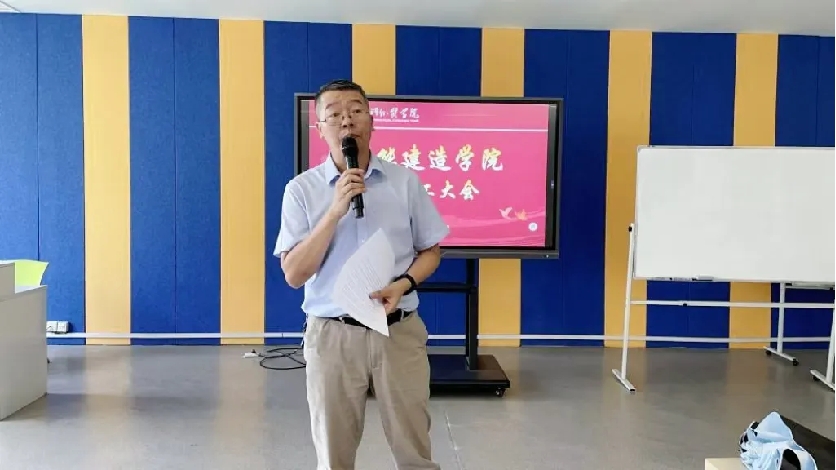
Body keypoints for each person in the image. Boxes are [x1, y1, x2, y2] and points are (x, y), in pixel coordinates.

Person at [274, 79, 449, 470]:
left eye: (355, 111)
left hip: (397, 330)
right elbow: (294, 274)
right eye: (334, 114)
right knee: (334, 454)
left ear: (371, 121)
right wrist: (334, 211)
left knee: (415, 450)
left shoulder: (405, 182)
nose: (346, 121)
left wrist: (403, 284)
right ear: (320, 128)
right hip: (332, 335)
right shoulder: (301, 190)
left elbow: (431, 251)